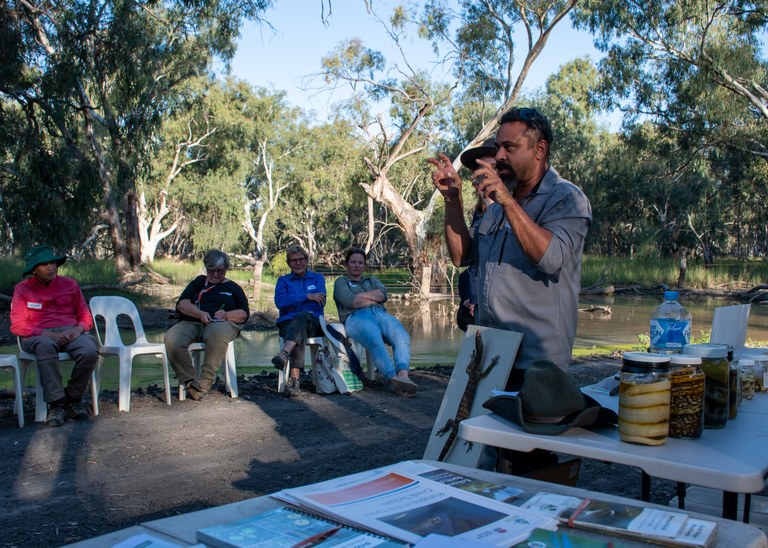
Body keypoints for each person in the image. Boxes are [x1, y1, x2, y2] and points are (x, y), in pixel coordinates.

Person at [429, 107, 591, 474]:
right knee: (479, 455)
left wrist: (507, 202)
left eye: (509, 147)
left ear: (539, 150)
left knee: (526, 462)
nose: (499, 155)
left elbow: (550, 257)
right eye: (497, 148)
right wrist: (452, 202)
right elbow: (462, 256)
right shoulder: (497, 206)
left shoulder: (566, 199)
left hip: (536, 360)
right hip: (489, 354)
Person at [10, 245, 99, 427]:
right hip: (38, 334)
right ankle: (57, 404)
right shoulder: (22, 289)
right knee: (45, 346)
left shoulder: (70, 284)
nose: (51, 267)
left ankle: (73, 398)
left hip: (70, 331)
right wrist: (47, 334)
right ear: (34, 270)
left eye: (52, 263)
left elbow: (85, 315)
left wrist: (77, 330)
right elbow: (18, 325)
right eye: (44, 264)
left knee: (89, 349)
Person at [164, 249, 249, 401]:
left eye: (220, 271)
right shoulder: (198, 283)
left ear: (226, 270)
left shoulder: (233, 288)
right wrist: (199, 314)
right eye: (212, 271)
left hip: (221, 324)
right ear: (206, 268)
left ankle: (205, 380)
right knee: (172, 339)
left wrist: (227, 315)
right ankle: (190, 383)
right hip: (192, 321)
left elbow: (244, 314)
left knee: (218, 333)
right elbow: (182, 305)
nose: (216, 274)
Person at [333, 247, 417, 397]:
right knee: (375, 340)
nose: (357, 265)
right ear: (346, 264)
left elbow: (383, 295)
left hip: (380, 313)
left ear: (364, 265)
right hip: (355, 317)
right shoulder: (341, 282)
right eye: (353, 262)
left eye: (360, 262)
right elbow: (350, 301)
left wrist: (361, 298)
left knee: (401, 336)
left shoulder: (372, 280)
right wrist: (372, 297)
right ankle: (393, 379)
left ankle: (403, 376)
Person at [272, 245, 326, 397]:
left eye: (301, 259)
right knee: (298, 327)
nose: (298, 263)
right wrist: (307, 296)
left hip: (314, 323)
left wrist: (295, 302)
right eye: (294, 260)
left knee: (302, 317)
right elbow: (280, 302)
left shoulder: (317, 278)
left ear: (307, 260)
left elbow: (320, 301)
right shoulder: (283, 281)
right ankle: (293, 380)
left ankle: (284, 353)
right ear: (289, 263)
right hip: (288, 323)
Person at [456, 138, 497, 331]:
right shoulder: (481, 211)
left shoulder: (523, 208)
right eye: (480, 169)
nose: (483, 174)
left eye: (492, 167)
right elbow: (463, 258)